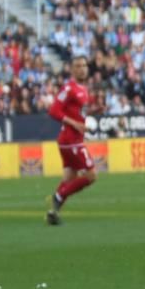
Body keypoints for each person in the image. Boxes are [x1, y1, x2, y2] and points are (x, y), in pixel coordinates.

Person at [46, 56, 96, 226]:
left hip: (72, 140)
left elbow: (78, 113)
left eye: (84, 65)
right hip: (70, 140)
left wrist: (94, 111)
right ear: (72, 69)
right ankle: (59, 196)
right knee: (91, 176)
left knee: (69, 178)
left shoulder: (83, 89)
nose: (82, 68)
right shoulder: (69, 88)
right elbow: (53, 111)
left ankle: (53, 212)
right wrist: (74, 123)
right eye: (78, 66)